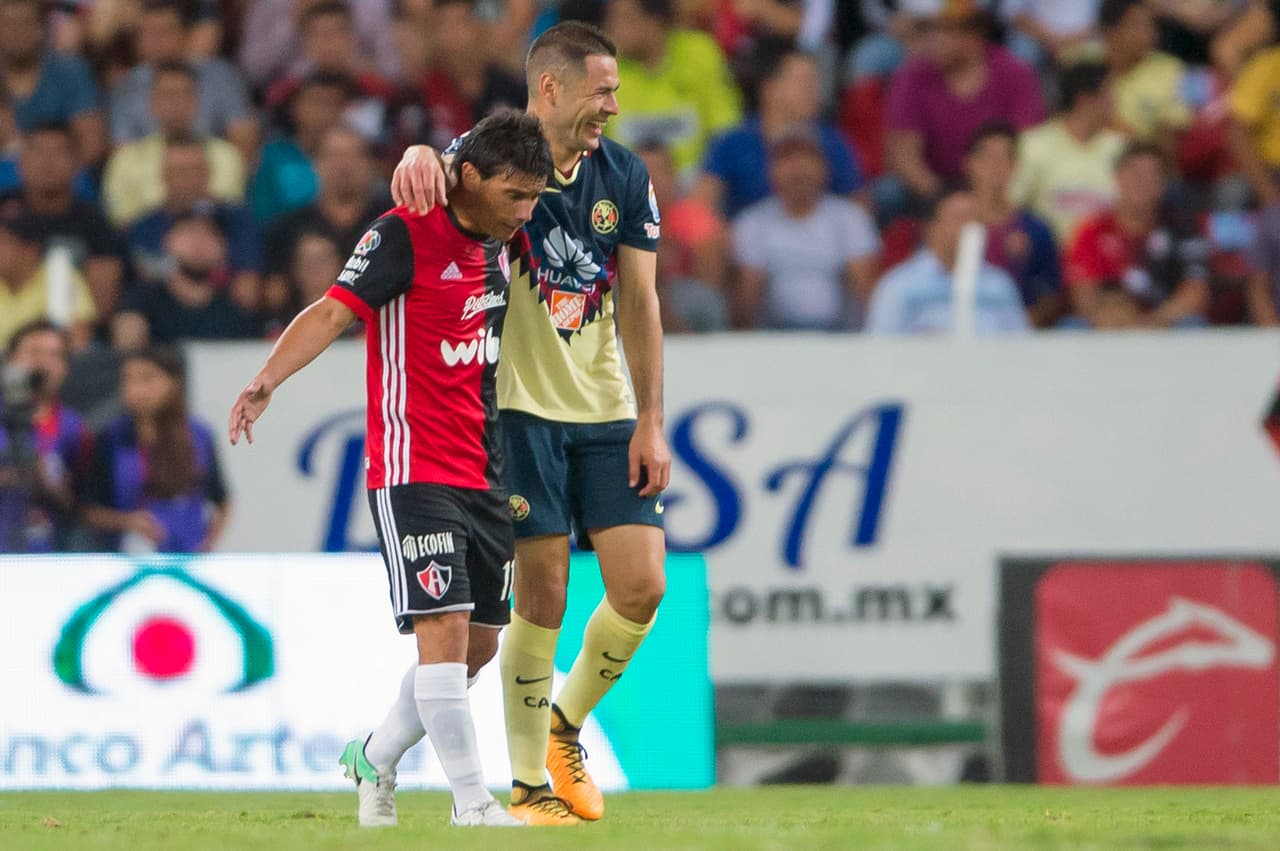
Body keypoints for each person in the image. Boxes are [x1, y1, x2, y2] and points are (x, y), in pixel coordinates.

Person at [228, 108, 550, 829]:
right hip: (413, 466)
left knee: (478, 644)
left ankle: (375, 754)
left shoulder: (497, 230)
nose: (524, 212)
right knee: (443, 630)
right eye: (513, 196)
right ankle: (472, 803)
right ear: (468, 179)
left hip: (485, 469)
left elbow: (485, 137)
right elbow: (331, 312)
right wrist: (267, 379)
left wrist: (428, 146)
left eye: (533, 198)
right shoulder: (403, 232)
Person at [390, 21, 670, 826]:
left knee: (644, 583)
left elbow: (642, 302)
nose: (613, 106)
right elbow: (434, 168)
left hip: (607, 407)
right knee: (542, 595)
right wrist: (415, 158)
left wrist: (651, 418)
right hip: (515, 410)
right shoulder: (488, 156)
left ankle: (563, 723)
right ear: (550, 88)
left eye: (615, 90)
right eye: (602, 91)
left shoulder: (626, 175)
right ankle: (526, 783)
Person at [885, 0, 1044, 202]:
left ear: (974, 35)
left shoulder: (1015, 74)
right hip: (934, 187)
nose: (935, 39)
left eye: (945, 31)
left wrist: (991, 196)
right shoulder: (911, 76)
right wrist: (943, 197)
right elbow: (904, 154)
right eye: (931, 30)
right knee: (888, 193)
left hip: (999, 184)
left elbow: (1029, 146)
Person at [82, 346, 228, 553]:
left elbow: (222, 500)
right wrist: (128, 522)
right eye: (128, 380)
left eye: (147, 379)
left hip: (189, 558)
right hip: (130, 558)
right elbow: (89, 510)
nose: (135, 389)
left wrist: (208, 543)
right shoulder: (110, 438)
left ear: (173, 383)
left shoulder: (199, 436)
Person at [731, 127, 880, 329]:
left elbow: (864, 286)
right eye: (787, 158)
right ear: (770, 171)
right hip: (774, 339)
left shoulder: (850, 217)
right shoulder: (752, 222)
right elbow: (749, 293)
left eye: (807, 157)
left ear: (825, 168)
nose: (798, 168)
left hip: (838, 336)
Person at [698, 46, 863, 220]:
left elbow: (858, 208)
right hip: (750, 241)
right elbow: (698, 205)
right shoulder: (733, 143)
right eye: (803, 81)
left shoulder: (831, 142)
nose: (813, 90)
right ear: (769, 88)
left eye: (815, 81)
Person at [1064, 142, 1209, 328]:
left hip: (1163, 325)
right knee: (1071, 327)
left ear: (1163, 184)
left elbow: (1195, 293)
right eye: (1135, 174)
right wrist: (1118, 323)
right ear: (1117, 176)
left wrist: (1150, 322)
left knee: (1193, 325)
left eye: (1151, 176)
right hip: (1109, 324)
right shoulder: (1092, 230)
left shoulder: (1184, 228)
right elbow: (1084, 295)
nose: (1142, 182)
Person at [1, 122, 127, 323]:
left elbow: (102, 306)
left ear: (77, 164)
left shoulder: (96, 224)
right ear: (21, 162)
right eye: (37, 151)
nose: (47, 162)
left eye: (59, 152)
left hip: (69, 329)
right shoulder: (3, 210)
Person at [866, 185, 1030, 334]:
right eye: (960, 218)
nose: (970, 227)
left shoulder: (999, 285)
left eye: (976, 219)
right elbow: (880, 348)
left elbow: (1018, 348)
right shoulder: (899, 285)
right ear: (932, 228)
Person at [109, 0, 257, 164]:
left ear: (184, 34)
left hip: (216, 178)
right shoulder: (128, 86)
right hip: (149, 182)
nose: (154, 41)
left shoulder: (220, 76)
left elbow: (244, 139)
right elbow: (122, 154)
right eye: (145, 33)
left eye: (164, 32)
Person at [604, 0, 742, 176]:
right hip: (625, 188)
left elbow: (725, 130)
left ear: (654, 22)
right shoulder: (605, 68)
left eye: (625, 19)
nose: (612, 28)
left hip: (696, 183)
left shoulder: (700, 53)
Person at [101, 61, 245, 228]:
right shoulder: (126, 160)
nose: (177, 102)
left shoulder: (227, 156)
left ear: (197, 100)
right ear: (152, 102)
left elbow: (229, 215)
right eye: (168, 94)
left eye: (185, 93)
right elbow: (120, 223)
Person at [0, 320, 91, 552]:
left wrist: (46, 483)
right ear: (10, 360)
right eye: (33, 352)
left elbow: (79, 503)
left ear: (65, 368)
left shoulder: (75, 429)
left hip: (46, 554)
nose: (42, 362)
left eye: (54, 355)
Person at [1011, 61, 1126, 243]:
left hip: (1105, 260)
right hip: (1048, 260)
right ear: (1085, 100)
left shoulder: (1121, 148)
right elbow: (1012, 203)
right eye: (1108, 93)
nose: (1114, 101)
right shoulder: (1033, 144)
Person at [966, 123, 1065, 328]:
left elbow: (1052, 294)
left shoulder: (1036, 229)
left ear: (1015, 166)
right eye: (987, 157)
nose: (995, 166)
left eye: (1005, 158)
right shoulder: (950, 225)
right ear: (970, 164)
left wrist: (1024, 324)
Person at [112, 214, 260, 348]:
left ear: (223, 248)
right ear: (167, 240)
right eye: (188, 231)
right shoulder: (140, 301)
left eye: (210, 234)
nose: (198, 242)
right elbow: (127, 354)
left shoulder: (234, 314)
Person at [0, 0, 105, 165]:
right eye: (8, 24)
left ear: (41, 28)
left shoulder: (71, 71)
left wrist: (55, 175)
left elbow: (91, 144)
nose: (16, 32)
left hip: (65, 178)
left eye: (24, 24)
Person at [0, 211, 95, 351]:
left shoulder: (60, 276)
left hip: (46, 363)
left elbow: (78, 339)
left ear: (31, 250)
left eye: (5, 243)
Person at [1100, 0, 1191, 145]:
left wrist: (1129, 138)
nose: (1149, 34)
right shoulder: (1081, 63)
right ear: (1109, 31)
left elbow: (1175, 132)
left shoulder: (1175, 69)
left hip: (1146, 158)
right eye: (1136, 26)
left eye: (1151, 26)